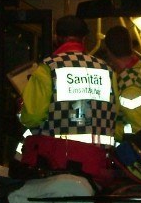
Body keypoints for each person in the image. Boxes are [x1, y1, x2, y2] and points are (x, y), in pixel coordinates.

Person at [19, 15, 118, 185]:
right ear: (85, 39)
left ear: (56, 38)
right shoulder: (107, 70)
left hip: (57, 164)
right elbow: (115, 112)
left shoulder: (48, 68)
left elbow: (31, 118)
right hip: (98, 166)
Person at [101, 25, 141, 142]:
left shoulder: (130, 88)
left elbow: (139, 130)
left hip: (129, 155)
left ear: (108, 51)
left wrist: (106, 128)